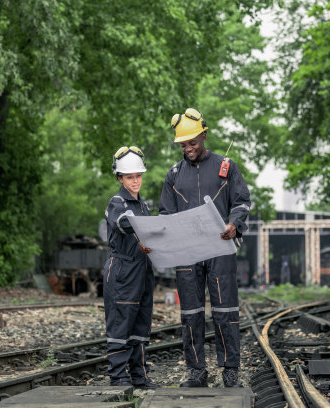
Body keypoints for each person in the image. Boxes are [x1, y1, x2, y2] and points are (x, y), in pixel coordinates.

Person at [159, 108, 251, 388]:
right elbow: (165, 214)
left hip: (219, 249)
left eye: (193, 143)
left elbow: (242, 202)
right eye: (183, 144)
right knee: (190, 312)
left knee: (225, 310)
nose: (188, 148)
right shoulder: (173, 175)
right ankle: (197, 371)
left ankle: (230, 370)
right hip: (187, 253)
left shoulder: (226, 167)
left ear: (204, 135)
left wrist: (235, 223)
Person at [102, 146, 157, 389]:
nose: (135, 181)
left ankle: (139, 376)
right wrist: (146, 231)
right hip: (123, 270)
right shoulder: (117, 202)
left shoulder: (142, 205)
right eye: (130, 177)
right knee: (120, 325)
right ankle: (119, 378)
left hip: (142, 271)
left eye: (138, 176)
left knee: (139, 326)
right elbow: (123, 223)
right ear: (120, 178)